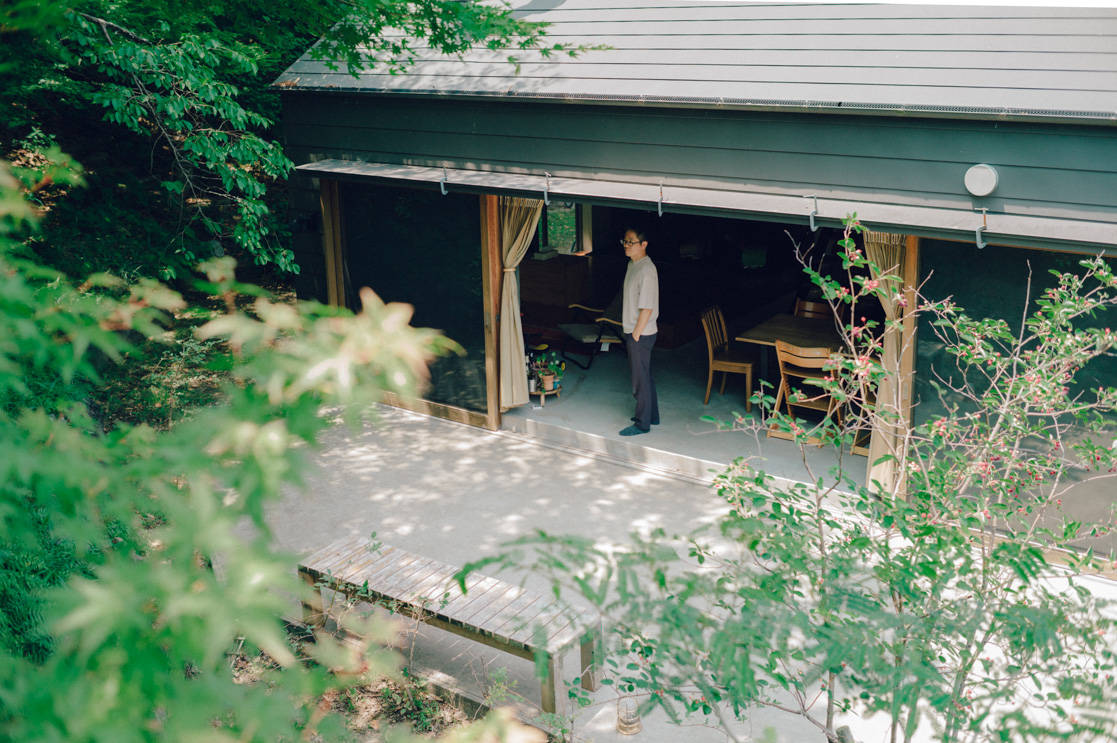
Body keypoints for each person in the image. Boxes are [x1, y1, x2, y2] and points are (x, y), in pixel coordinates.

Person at [618, 228, 660, 436]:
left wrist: (635, 334)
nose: (626, 245)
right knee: (645, 375)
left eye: (631, 242)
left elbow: (647, 308)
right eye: (624, 241)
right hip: (635, 330)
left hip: (641, 333)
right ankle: (653, 416)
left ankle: (643, 424)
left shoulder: (646, 270)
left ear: (644, 245)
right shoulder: (632, 265)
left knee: (639, 380)